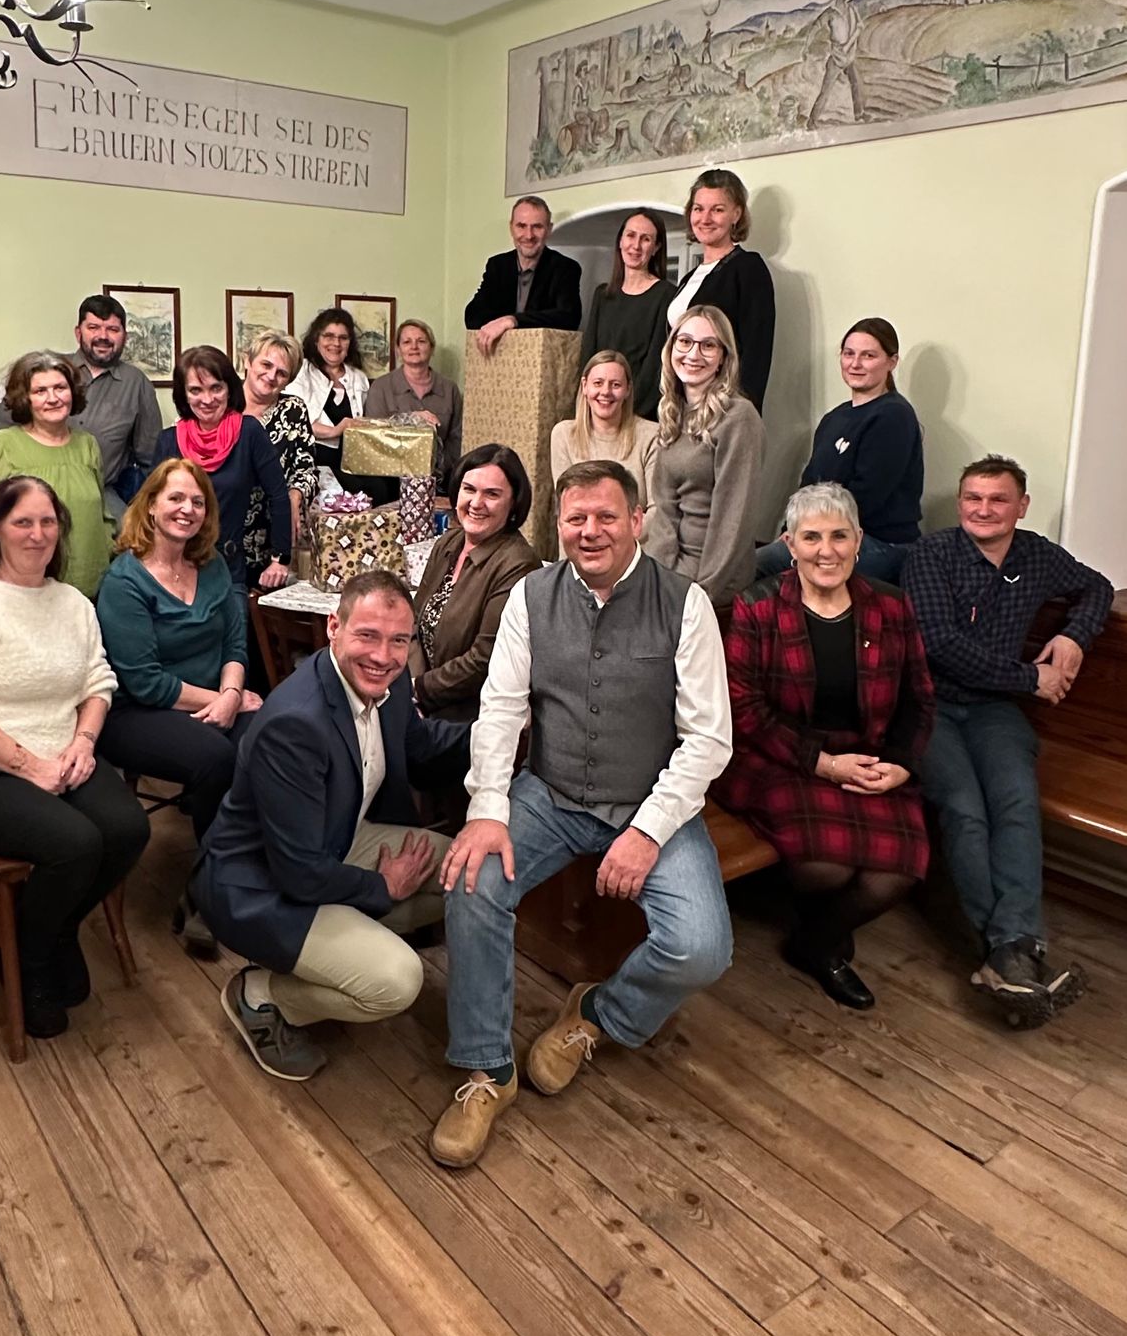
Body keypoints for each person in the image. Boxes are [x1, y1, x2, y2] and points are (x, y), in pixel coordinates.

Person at [428, 460, 733, 1169]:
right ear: (557, 525)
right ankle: (486, 1073)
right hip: (554, 793)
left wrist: (648, 831)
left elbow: (709, 738)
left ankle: (597, 1015)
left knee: (702, 948)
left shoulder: (686, 604)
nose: (589, 531)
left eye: (605, 516)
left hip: (652, 800)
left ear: (637, 521)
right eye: (575, 518)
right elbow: (500, 711)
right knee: (472, 881)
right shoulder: (532, 597)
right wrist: (487, 809)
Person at [193, 571, 472, 1080]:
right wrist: (382, 885)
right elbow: (298, 872)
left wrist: (497, 734)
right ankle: (261, 994)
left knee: (460, 868)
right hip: (260, 884)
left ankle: (337, 952)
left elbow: (417, 746)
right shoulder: (296, 725)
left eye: (398, 641)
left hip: (335, 841)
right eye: (367, 635)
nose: (383, 655)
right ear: (333, 627)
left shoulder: (389, 679)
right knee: (397, 980)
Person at [0, 476, 149, 1040]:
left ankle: (40, 934)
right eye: (22, 521)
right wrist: (29, 765)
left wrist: (84, 742)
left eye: (48, 522)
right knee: (75, 843)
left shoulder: (72, 603)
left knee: (126, 827)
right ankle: (34, 963)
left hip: (60, 753)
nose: (37, 534)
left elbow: (98, 682)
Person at [903, 455, 1112, 1026]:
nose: (984, 509)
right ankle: (1014, 950)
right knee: (967, 811)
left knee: (1017, 804)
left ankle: (1009, 954)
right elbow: (940, 644)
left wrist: (1073, 636)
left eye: (998, 500)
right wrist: (1032, 678)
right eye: (973, 497)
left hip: (996, 712)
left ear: (1021, 507)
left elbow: (1095, 587)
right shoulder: (932, 555)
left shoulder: (1036, 554)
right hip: (931, 706)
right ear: (960, 503)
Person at [718, 483, 935, 1008]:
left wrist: (902, 765)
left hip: (868, 753)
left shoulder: (891, 604)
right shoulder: (757, 607)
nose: (826, 550)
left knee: (898, 869)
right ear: (789, 544)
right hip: (779, 754)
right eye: (811, 537)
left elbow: (920, 698)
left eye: (839, 536)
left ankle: (811, 942)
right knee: (826, 866)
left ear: (859, 541)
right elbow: (744, 710)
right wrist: (823, 763)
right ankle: (828, 940)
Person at [96, 459, 264, 957]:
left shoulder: (212, 568)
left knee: (276, 737)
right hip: (137, 713)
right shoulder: (124, 582)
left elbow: (237, 645)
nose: (186, 509)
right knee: (216, 758)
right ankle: (210, 898)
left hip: (218, 699)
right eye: (174, 498)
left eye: (197, 501)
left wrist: (232, 695)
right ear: (149, 506)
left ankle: (229, 879)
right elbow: (144, 682)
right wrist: (223, 700)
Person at [756, 318, 923, 583]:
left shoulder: (893, 415)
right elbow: (808, 484)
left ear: (891, 362)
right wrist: (791, 530)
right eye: (849, 354)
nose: (855, 364)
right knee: (749, 560)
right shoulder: (835, 418)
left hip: (880, 543)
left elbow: (866, 497)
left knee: (756, 566)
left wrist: (808, 538)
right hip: (825, 534)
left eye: (868, 355)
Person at [0, 294, 162, 524]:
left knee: (130, 542)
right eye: (93, 327)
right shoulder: (50, 371)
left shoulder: (136, 383)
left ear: (125, 336)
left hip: (100, 493)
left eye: (112, 329)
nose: (103, 336)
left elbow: (152, 457)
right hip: (34, 492)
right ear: (78, 332)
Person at [0, 350, 113, 600]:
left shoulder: (87, 445)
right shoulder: (5, 445)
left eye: (60, 387)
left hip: (91, 589)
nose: (52, 398)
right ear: (25, 399)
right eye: (40, 391)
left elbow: (101, 514)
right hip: (26, 589)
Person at [642, 307, 765, 608]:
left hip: (712, 574)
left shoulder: (738, 417)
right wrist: (650, 574)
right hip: (670, 564)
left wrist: (701, 594)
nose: (693, 354)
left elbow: (733, 520)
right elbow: (666, 510)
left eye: (708, 345)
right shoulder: (672, 413)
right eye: (684, 342)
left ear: (724, 357)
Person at [409, 445, 541, 724]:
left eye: (492, 494)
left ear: (513, 503)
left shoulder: (518, 564)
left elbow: (484, 660)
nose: (476, 503)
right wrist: (411, 689)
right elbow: (412, 623)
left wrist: (419, 690)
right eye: (469, 489)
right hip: (420, 707)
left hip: (471, 720)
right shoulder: (448, 543)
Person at [153, 345, 291, 592]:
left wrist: (280, 559)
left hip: (229, 569)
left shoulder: (249, 433)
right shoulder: (168, 441)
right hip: (174, 572)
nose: (207, 399)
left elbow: (279, 496)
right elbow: (150, 507)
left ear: (229, 389)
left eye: (216, 388)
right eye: (196, 390)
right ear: (183, 395)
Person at [666, 170, 775, 409]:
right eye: (698, 208)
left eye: (717, 209)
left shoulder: (748, 269)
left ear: (736, 214)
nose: (705, 218)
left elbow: (756, 351)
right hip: (681, 404)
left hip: (721, 406)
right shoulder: (688, 278)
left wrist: (742, 411)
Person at [580, 210, 676, 419]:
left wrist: (625, 414)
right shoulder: (603, 295)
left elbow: (655, 367)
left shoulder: (666, 294)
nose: (636, 245)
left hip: (638, 414)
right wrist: (588, 408)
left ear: (656, 247)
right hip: (596, 411)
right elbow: (588, 357)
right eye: (631, 235)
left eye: (646, 239)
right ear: (620, 241)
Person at [239, 329, 318, 571]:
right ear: (247, 361)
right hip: (224, 530)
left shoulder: (293, 409)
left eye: (282, 373)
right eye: (265, 364)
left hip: (275, 535)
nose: (271, 376)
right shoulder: (221, 402)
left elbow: (308, 470)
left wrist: (294, 496)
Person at [464, 196, 582, 355]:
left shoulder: (565, 268)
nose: (528, 235)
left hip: (543, 364)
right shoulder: (498, 266)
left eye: (537, 227)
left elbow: (569, 317)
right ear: (511, 228)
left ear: (549, 229)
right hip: (500, 362)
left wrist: (512, 320)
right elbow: (472, 315)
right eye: (521, 226)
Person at [551, 350, 658, 517]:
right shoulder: (563, 434)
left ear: (628, 389)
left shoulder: (651, 435)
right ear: (585, 386)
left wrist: (618, 537)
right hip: (581, 539)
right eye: (598, 383)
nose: (606, 392)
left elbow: (657, 510)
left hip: (635, 540)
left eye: (615, 385)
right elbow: (567, 508)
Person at [364, 317, 464, 493]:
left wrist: (438, 470)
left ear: (431, 348)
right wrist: (410, 420)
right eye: (407, 342)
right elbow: (373, 434)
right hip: (390, 483)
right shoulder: (380, 387)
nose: (414, 347)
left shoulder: (450, 389)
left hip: (440, 482)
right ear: (398, 349)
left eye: (421, 341)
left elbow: (457, 438)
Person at [286, 308, 372, 496]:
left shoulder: (359, 378)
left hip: (353, 461)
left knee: (380, 490)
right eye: (329, 336)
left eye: (343, 338)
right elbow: (295, 423)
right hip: (315, 459)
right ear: (317, 339)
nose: (336, 343)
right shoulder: (301, 373)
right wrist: (335, 430)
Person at [807, 0, 865, 128]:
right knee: (826, 89)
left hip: (849, 54)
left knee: (856, 83)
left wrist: (850, 44)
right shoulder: (830, 13)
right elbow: (815, 27)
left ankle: (859, 115)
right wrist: (806, 45)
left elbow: (859, 27)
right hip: (837, 54)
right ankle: (812, 121)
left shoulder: (852, 9)